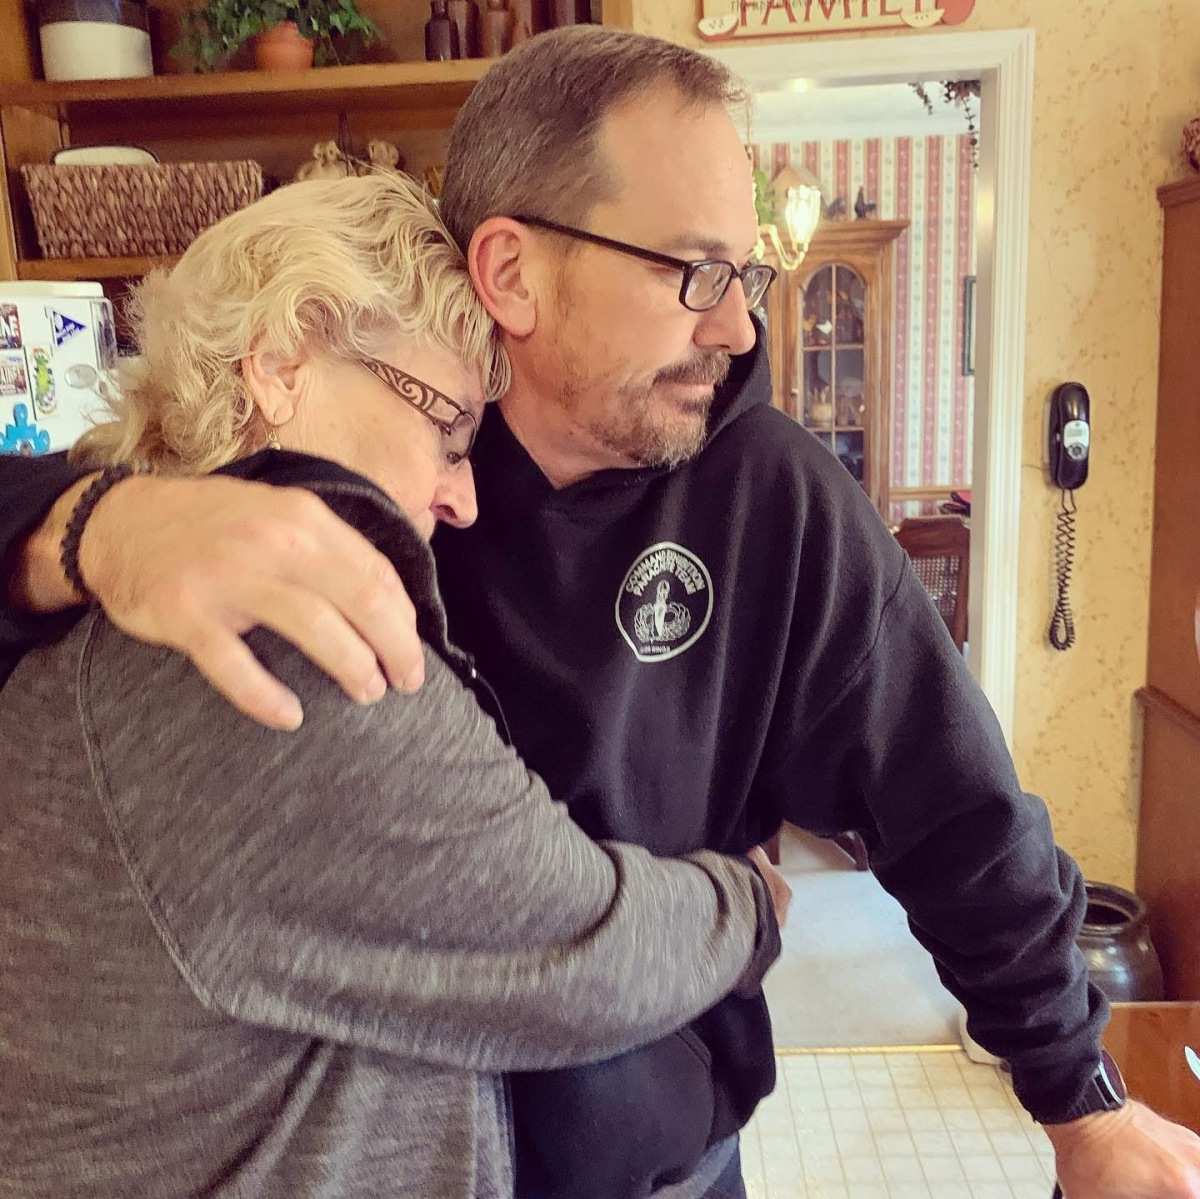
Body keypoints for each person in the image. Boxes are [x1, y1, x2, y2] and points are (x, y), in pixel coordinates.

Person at [2, 25, 1200, 1199]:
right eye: (694, 271)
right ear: (511, 273)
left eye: (748, 275)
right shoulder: (286, 536)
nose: (738, 327)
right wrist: (91, 521)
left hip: (657, 1157)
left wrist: (1078, 1097)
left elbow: (959, 814)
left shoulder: (773, 498)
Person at [0, 172, 787, 1199]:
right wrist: (752, 900)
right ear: (282, 363)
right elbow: (580, 942)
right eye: (449, 429)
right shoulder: (268, 640)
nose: (462, 496)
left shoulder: (104, 580)